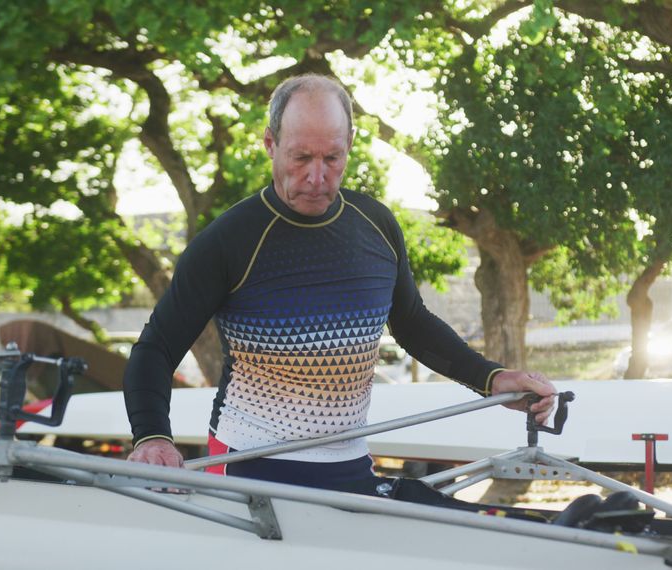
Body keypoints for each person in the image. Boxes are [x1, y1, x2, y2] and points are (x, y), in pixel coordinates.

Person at [123, 74, 556, 487]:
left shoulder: (377, 224)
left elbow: (411, 322)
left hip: (350, 463)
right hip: (246, 463)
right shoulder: (227, 240)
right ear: (270, 145)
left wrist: (492, 378)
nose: (316, 176)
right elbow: (156, 348)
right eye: (301, 158)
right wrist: (152, 436)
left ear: (349, 145)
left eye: (332, 158)